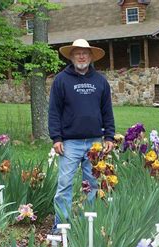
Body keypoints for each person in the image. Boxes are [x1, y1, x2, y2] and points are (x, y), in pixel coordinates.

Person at [48, 39, 115, 227]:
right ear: (71, 56)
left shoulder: (100, 81)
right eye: (77, 53)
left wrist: (109, 136)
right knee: (65, 185)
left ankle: (89, 225)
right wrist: (56, 138)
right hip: (70, 143)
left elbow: (107, 110)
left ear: (91, 56)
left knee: (93, 185)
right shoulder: (61, 80)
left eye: (85, 53)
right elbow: (54, 111)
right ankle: (61, 226)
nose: (82, 56)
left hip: (94, 142)